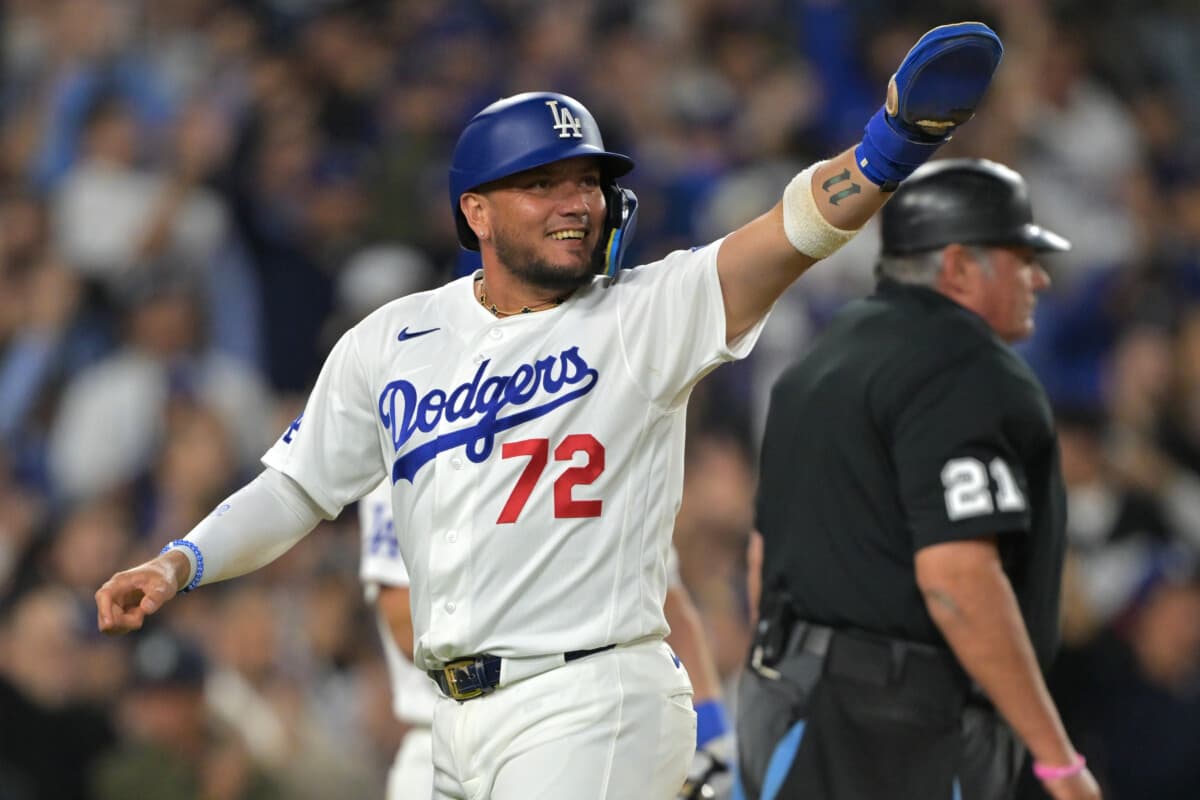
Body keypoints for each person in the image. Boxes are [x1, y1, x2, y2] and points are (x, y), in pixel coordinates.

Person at [96, 21, 1004, 799]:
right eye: (545, 184)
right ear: (477, 212)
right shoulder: (392, 339)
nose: (578, 202)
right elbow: (296, 489)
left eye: (587, 181)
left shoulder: (647, 312)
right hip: (451, 725)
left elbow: (791, 232)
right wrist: (182, 561)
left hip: (590, 695)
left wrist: (891, 144)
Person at [736, 158, 1101, 800]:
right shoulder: (969, 366)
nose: (1040, 278)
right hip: (904, 733)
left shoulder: (822, 359)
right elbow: (958, 580)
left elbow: (764, 558)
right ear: (958, 265)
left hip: (788, 706)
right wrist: (1060, 764)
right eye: (1021, 257)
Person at [358, 479, 733, 800]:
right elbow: (407, 625)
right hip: (445, 743)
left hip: (584, 731)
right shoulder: (413, 422)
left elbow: (665, 605)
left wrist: (715, 743)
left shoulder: (587, 426)